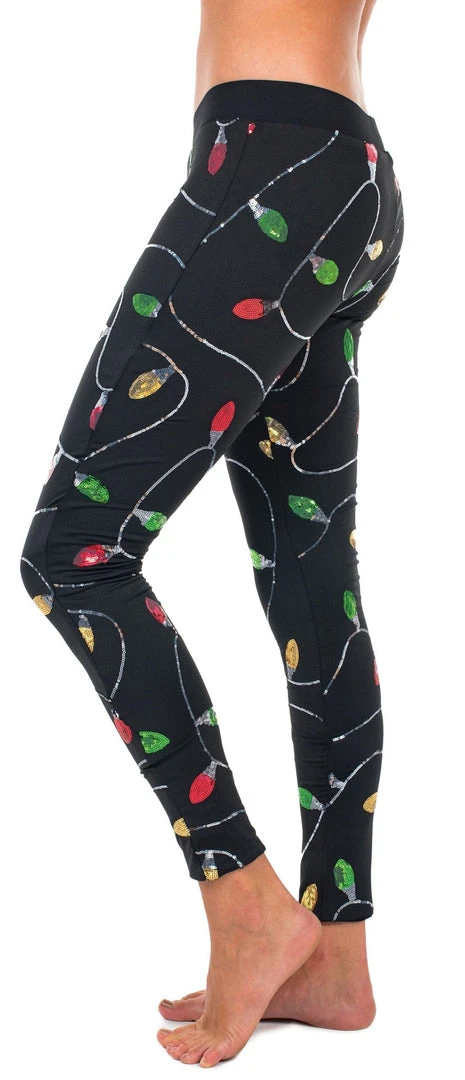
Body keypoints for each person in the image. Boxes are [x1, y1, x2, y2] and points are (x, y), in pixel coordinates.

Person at [19, 0, 404, 1068]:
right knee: (314, 583)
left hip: (269, 166)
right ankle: (336, 957)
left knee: (73, 555)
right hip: (349, 177)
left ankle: (243, 897)